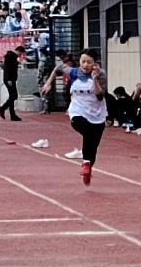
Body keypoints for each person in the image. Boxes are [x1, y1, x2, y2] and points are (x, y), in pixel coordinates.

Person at [41, 49, 107, 185]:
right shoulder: (74, 72)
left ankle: (88, 165)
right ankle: (86, 163)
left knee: (93, 146)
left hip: (97, 114)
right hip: (77, 111)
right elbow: (58, 68)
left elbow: (100, 96)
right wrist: (48, 83)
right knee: (87, 131)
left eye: (89, 62)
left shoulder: (101, 74)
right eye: (83, 62)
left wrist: (95, 79)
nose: (85, 65)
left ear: (95, 63)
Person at [0, 45, 24, 121]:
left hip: (11, 79)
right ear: (18, 51)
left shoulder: (11, 56)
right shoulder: (10, 56)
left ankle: (12, 114)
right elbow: (8, 68)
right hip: (10, 79)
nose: (20, 55)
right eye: (21, 53)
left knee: (12, 96)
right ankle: (2, 108)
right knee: (14, 96)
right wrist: (9, 79)